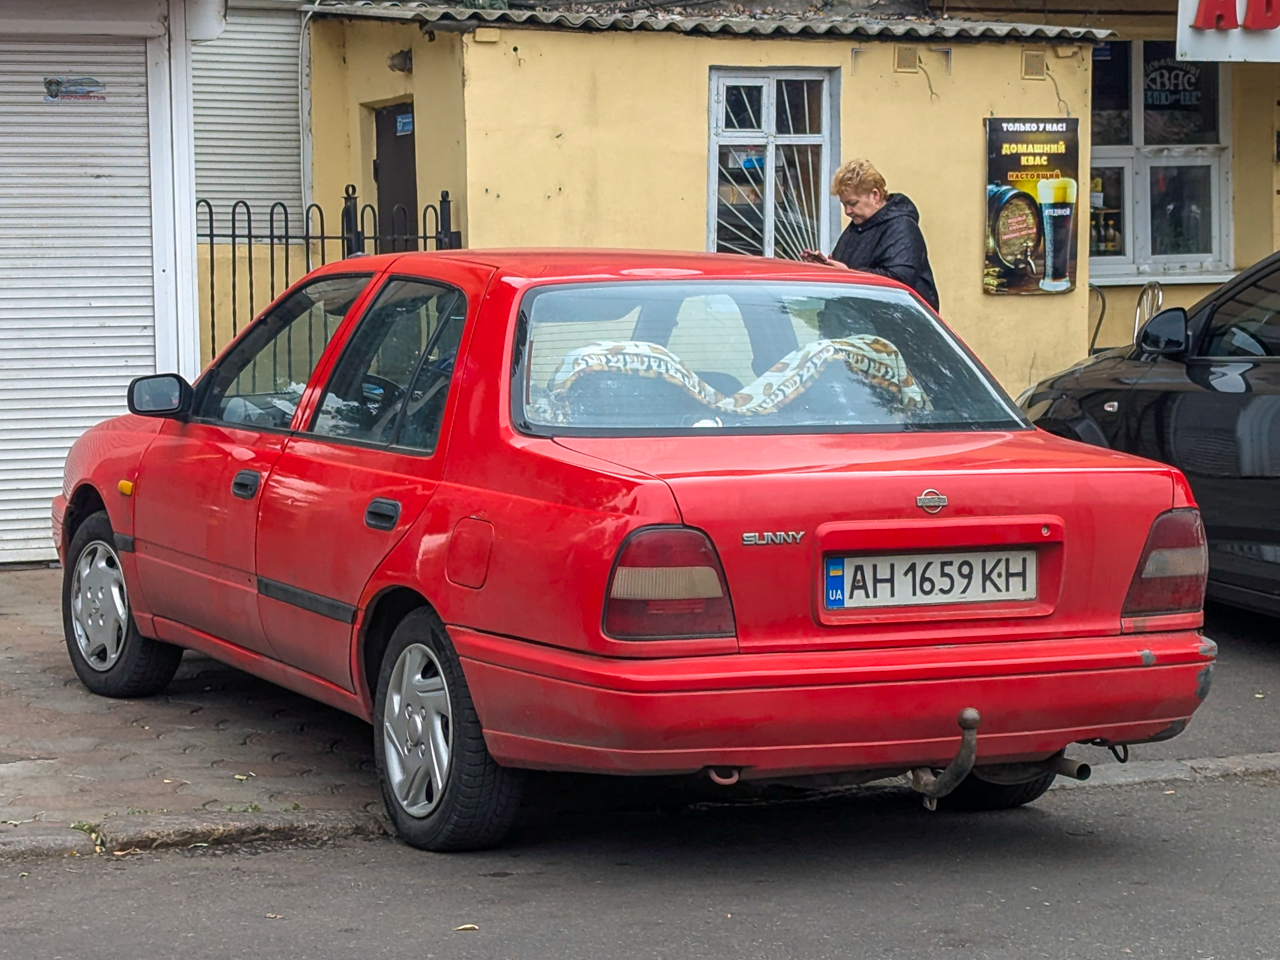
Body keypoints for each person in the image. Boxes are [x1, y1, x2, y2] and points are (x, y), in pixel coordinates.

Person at [802, 159, 940, 312]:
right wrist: (825, 267)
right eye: (844, 205)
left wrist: (848, 273)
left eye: (853, 203)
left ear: (875, 195)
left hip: (896, 326)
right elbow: (844, 263)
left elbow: (898, 281)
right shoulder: (860, 225)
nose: (847, 211)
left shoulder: (901, 226)